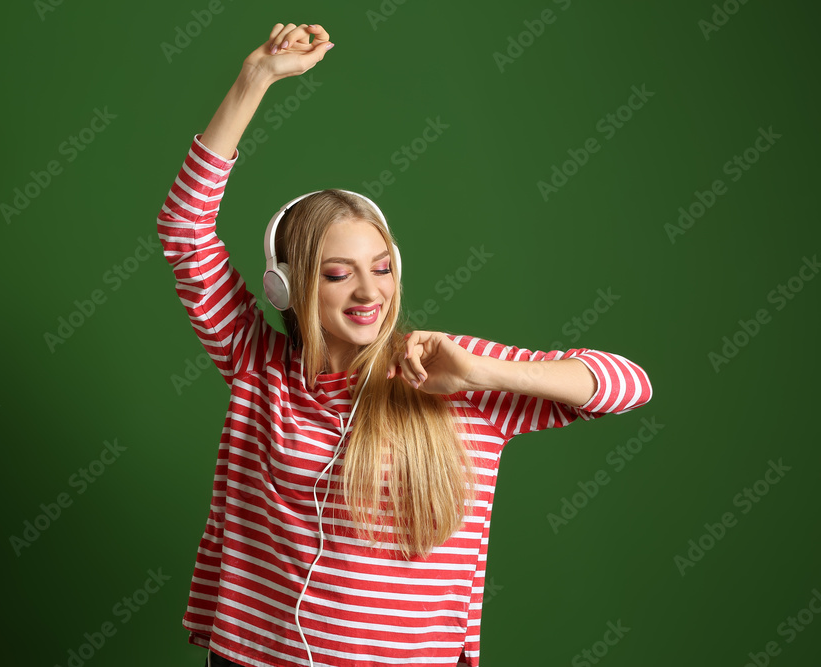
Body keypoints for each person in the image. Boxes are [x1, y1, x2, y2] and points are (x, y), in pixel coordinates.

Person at [157, 23, 653, 667]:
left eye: (382, 266)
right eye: (338, 273)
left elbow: (627, 384)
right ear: (286, 287)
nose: (369, 291)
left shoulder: (444, 369)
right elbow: (184, 230)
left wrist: (482, 372)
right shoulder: (260, 370)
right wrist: (255, 80)